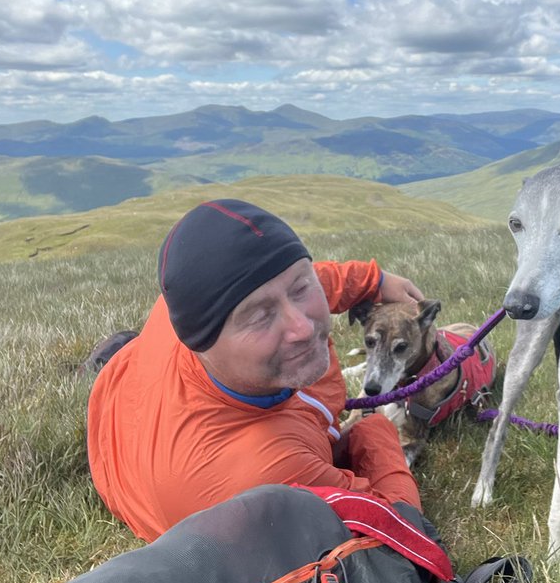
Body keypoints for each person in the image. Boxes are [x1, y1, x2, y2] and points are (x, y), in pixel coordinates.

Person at [87, 197, 427, 542]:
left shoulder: (189, 305)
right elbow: (403, 529)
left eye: (299, 288)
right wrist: (375, 432)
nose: (303, 328)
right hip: (161, 464)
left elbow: (284, 278)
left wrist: (372, 280)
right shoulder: (266, 471)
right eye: (260, 315)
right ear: (203, 340)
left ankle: (122, 351)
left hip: (129, 388)